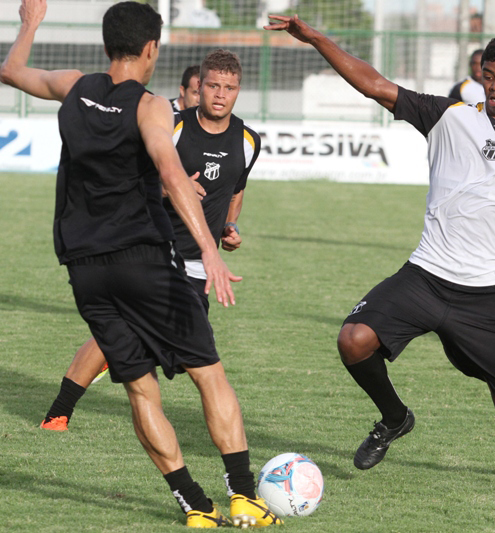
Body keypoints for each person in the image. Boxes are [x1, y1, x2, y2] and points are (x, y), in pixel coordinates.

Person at [265, 15, 495, 482]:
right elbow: (374, 85)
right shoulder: (449, 116)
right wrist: (315, 38)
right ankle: (394, 418)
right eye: (489, 75)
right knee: (353, 339)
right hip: (425, 277)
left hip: (485, 297)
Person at [0, 1, 278, 528]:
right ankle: (244, 495)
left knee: (139, 387)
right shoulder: (150, 107)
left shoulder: (74, 86)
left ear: (108, 44)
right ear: (152, 48)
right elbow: (172, 174)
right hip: (144, 260)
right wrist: (210, 248)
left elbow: (11, 71)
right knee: (208, 374)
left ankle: (195, 505)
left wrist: (30, 23)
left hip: (84, 267)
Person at [40, 49, 260, 433]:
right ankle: (59, 412)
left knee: (148, 343)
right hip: (155, 252)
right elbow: (132, 179)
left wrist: (229, 225)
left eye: (229, 88)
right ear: (199, 87)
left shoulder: (248, 141)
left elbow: (236, 189)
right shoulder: (171, 126)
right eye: (212, 86)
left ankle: (79, 397)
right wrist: (171, 186)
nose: (220, 95)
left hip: (200, 267)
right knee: (140, 339)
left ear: (239, 90)